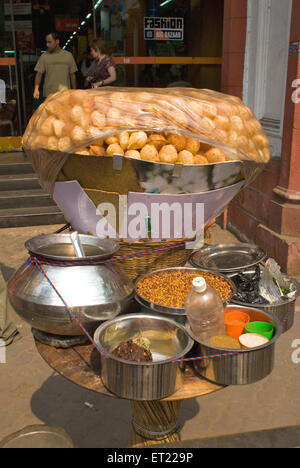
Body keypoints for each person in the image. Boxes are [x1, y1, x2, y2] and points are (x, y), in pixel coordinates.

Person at [33, 32, 78, 101]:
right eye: (46, 42)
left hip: (65, 94)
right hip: (49, 95)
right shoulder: (44, 56)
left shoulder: (68, 55)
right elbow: (39, 74)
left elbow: (72, 74)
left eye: (49, 42)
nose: (47, 45)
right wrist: (36, 89)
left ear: (57, 41)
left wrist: (74, 91)